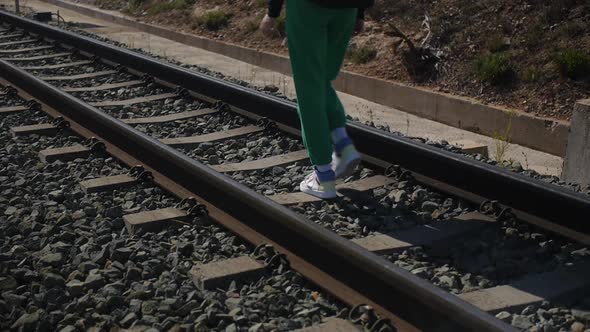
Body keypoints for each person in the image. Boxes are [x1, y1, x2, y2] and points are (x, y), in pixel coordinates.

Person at [260, 0, 374, 199]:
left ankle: (323, 177)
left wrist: (272, 12)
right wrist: (360, 12)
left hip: (307, 8)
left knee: (309, 88)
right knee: (321, 80)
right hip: (347, 9)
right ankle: (343, 146)